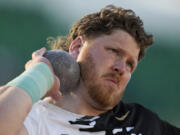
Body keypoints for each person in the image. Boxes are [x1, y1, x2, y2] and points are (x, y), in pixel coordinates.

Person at [0, 5, 179, 135]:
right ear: (77, 46)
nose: (121, 69)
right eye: (113, 51)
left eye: (130, 64)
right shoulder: (35, 120)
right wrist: (38, 75)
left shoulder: (143, 122)